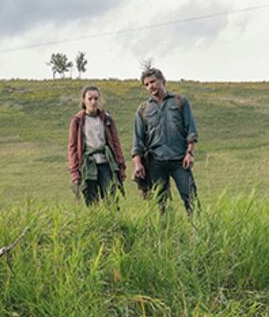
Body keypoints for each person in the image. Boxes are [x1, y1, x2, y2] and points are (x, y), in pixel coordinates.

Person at [131, 66, 198, 215]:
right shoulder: (143, 109)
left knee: (191, 198)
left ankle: (199, 233)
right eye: (146, 84)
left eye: (153, 81)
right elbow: (138, 140)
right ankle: (165, 234)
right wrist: (138, 164)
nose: (150, 86)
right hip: (156, 162)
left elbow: (191, 130)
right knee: (160, 202)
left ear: (162, 80)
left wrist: (190, 153)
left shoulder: (180, 102)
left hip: (180, 160)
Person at [68, 85, 126, 206]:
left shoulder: (107, 119)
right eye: (90, 99)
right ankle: (96, 224)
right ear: (84, 100)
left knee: (111, 200)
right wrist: (75, 172)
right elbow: (72, 147)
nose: (93, 102)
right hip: (88, 165)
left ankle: (114, 224)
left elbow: (115, 143)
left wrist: (121, 167)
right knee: (91, 202)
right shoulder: (77, 121)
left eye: (96, 98)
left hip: (106, 164)